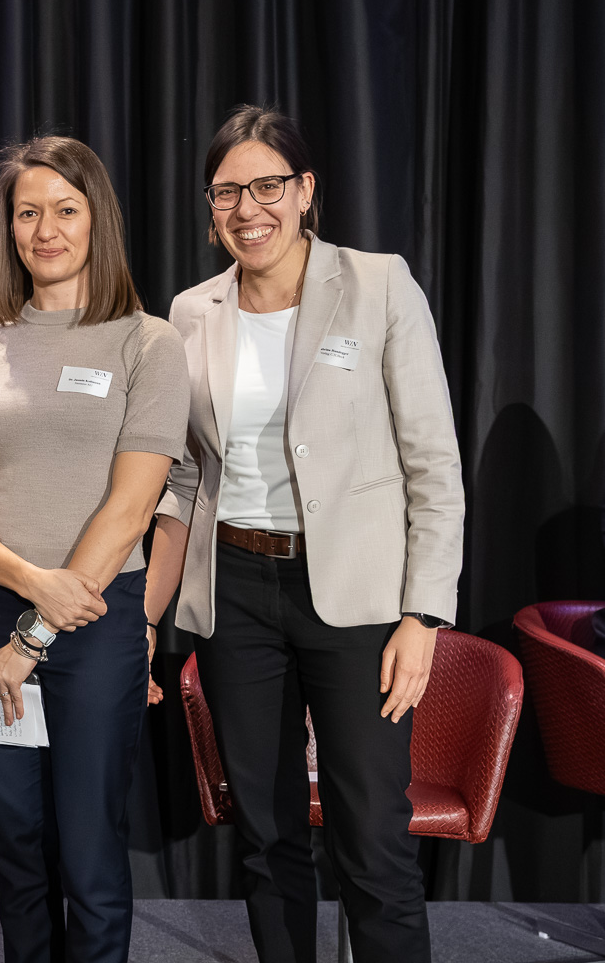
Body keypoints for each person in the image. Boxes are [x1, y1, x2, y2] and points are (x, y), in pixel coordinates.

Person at [145, 106, 462, 963]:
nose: (247, 209)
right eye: (226, 192)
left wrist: (422, 615)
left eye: (267, 186)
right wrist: (148, 614)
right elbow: (182, 477)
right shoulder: (190, 311)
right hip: (235, 596)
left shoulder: (378, 284)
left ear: (304, 190)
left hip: (358, 602)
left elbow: (432, 464)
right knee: (266, 836)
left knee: (373, 838)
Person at [0, 136, 189, 963]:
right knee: (14, 848)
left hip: (96, 620)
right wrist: (26, 583)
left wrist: (37, 629)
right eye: (26, 213)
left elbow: (133, 504)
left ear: (96, 219)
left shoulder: (147, 343)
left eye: (64, 210)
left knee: (88, 849)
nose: (45, 230)